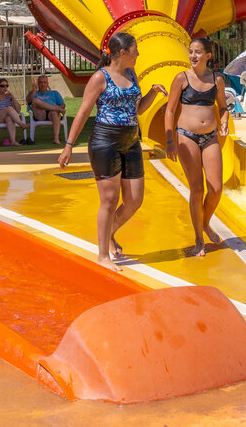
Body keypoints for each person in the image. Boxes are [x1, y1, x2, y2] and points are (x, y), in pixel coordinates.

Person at [59, 32, 167, 271]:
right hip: (105, 141)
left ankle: (109, 233)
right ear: (122, 52)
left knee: (134, 200)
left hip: (131, 141)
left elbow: (137, 109)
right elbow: (83, 112)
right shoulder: (101, 77)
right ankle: (102, 255)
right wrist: (69, 146)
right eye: (135, 50)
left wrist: (153, 92)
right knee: (109, 200)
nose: (138, 54)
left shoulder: (131, 74)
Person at [164, 37, 230, 257]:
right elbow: (170, 110)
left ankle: (206, 222)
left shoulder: (217, 80)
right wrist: (170, 141)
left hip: (210, 137)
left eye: (198, 52)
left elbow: (223, 107)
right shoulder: (181, 78)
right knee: (197, 189)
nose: (193, 56)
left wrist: (224, 122)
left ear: (208, 55)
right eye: (191, 51)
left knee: (216, 189)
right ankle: (199, 239)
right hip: (186, 136)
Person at [0, 78, 27, 145]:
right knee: (9, 108)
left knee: (8, 118)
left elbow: (18, 110)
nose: (5, 88)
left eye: (6, 86)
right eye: (2, 86)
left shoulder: (8, 97)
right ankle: (21, 124)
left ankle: (13, 141)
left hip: (7, 118)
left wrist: (13, 98)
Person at [25, 74, 66, 143]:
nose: (43, 84)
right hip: (40, 114)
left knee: (54, 113)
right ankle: (55, 109)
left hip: (52, 113)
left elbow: (62, 105)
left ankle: (56, 139)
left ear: (47, 84)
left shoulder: (54, 93)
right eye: (40, 82)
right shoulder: (33, 93)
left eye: (45, 82)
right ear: (38, 84)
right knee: (35, 101)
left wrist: (59, 108)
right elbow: (28, 100)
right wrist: (34, 90)